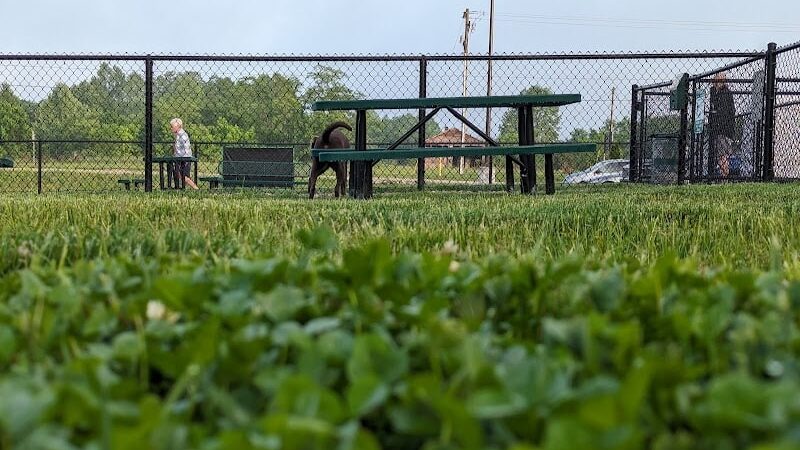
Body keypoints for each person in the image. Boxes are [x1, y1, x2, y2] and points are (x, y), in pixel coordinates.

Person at [709, 73, 737, 177]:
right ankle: (723, 175)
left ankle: (725, 176)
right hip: (719, 129)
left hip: (723, 129)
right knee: (720, 155)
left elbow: (725, 112)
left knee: (722, 155)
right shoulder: (715, 93)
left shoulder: (725, 93)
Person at [170, 118, 198, 189]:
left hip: (184, 159)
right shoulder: (178, 135)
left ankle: (195, 188)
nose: (171, 128)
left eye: (172, 126)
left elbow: (186, 149)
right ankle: (182, 189)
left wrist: (185, 160)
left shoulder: (183, 135)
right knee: (179, 175)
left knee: (183, 176)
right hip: (179, 158)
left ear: (178, 126)